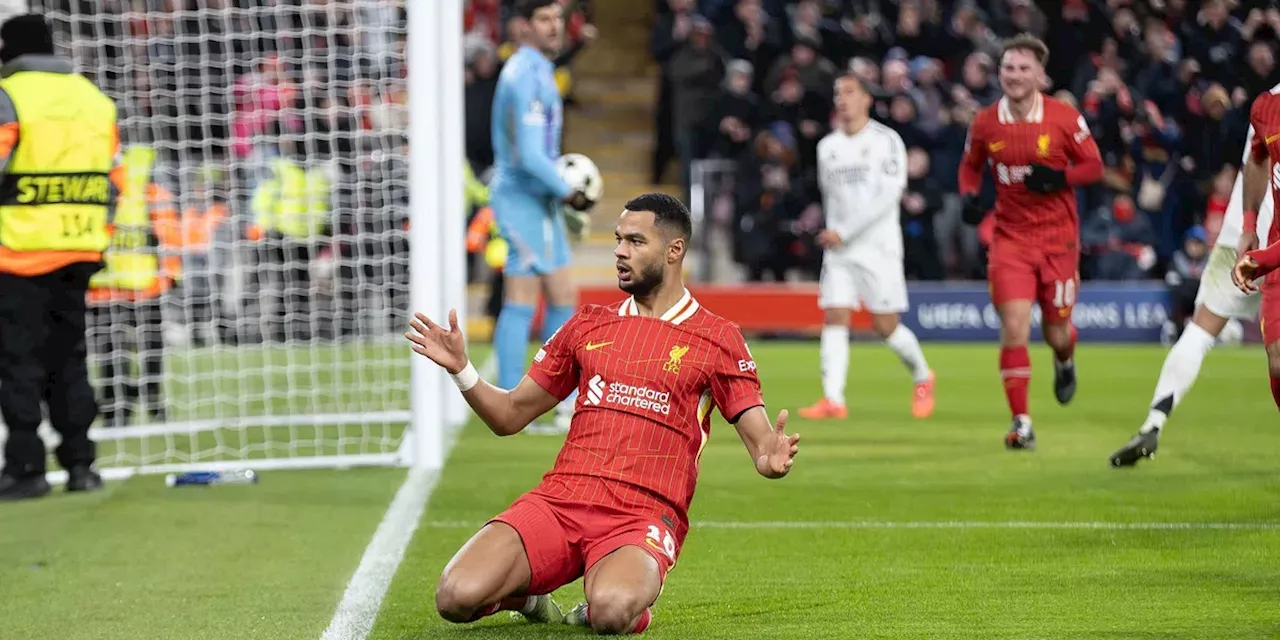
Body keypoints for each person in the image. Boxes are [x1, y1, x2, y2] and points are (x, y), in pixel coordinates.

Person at [405, 193, 799, 634]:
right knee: (455, 597)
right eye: (617, 240)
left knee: (611, 612)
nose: (619, 251)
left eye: (634, 241)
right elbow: (510, 415)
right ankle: (526, 594)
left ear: (674, 251)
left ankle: (618, 603)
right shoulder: (588, 324)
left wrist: (770, 457)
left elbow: (761, 441)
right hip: (561, 501)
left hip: (642, 515)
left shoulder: (717, 338)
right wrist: (463, 370)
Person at [957, 34, 1103, 450]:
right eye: (1008, 68)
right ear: (999, 73)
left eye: (1024, 68)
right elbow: (970, 168)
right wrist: (970, 197)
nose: (1015, 75)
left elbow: (1093, 166)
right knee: (1015, 327)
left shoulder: (1063, 117)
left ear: (1040, 74)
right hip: (1010, 239)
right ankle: (1021, 423)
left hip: (1058, 240)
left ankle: (1065, 359)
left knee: (1057, 330)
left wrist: (1060, 177)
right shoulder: (985, 121)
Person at [0, 14, 117, 499]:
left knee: (18, 361)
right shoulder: (94, 99)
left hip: (19, 250)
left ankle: (26, 469)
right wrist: (97, 236)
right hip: (80, 246)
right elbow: (115, 181)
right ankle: (81, 463)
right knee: (69, 359)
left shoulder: (10, 96)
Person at [1109, 126, 1275, 467]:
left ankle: (1153, 421)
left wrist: (1246, 225)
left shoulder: (1267, 103)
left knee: (1199, 331)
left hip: (1241, 235)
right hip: (1267, 235)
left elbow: (1253, 161)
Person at [799, 73, 935, 421]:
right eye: (837, 92)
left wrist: (844, 231)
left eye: (849, 92)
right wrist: (835, 234)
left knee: (885, 325)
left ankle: (923, 376)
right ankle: (833, 399)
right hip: (839, 249)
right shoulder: (827, 147)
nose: (841, 99)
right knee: (835, 314)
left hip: (878, 246)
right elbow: (830, 198)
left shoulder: (886, 141)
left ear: (866, 99)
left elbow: (889, 196)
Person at [490, 0, 595, 434]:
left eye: (558, 19)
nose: (555, 27)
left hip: (539, 199)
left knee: (562, 295)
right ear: (523, 26)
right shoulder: (524, 74)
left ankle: (561, 399)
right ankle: (512, 398)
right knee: (522, 295)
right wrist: (568, 191)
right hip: (522, 197)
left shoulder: (536, 68)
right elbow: (530, 154)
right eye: (544, 20)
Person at [89, 144, 182, 427]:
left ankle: (118, 408)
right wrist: (172, 274)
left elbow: (167, 233)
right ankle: (147, 404)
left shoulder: (97, 186)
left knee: (113, 351)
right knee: (140, 350)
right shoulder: (150, 191)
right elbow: (169, 234)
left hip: (111, 284)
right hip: (139, 283)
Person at [1228, 91, 1280, 411]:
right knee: (1278, 363)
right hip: (1277, 244)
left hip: (1274, 255)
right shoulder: (1266, 107)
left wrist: (1261, 260)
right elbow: (1258, 158)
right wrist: (1250, 224)